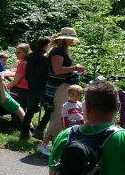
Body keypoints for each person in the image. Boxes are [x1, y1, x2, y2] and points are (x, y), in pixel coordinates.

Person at [38, 28, 86, 156]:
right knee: (59, 116)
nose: (73, 41)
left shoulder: (61, 50)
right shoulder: (57, 51)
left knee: (60, 116)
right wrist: (75, 68)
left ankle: (55, 146)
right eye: (71, 38)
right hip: (59, 88)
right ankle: (43, 145)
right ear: (65, 38)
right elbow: (57, 70)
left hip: (62, 86)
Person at [20, 37, 50, 140]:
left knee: (29, 111)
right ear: (46, 45)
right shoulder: (46, 57)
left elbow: (27, 74)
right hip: (43, 87)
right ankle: (40, 129)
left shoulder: (31, 56)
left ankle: (24, 133)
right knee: (49, 110)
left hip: (32, 87)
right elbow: (47, 74)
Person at [7, 43, 31, 109]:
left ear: (26, 53)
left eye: (19, 52)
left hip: (20, 90)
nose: (16, 54)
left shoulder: (23, 64)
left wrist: (4, 88)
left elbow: (15, 81)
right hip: (27, 89)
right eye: (16, 52)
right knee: (23, 109)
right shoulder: (29, 62)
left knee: (16, 109)